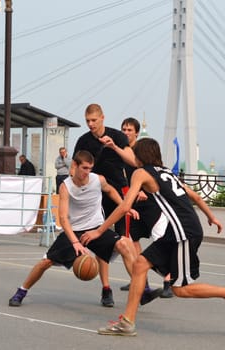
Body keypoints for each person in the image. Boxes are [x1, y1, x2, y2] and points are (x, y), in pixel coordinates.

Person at [80, 138, 225, 336]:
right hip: (177, 230)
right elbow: (194, 196)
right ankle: (127, 322)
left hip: (183, 231)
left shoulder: (140, 173)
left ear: (140, 155)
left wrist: (99, 231)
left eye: (134, 153)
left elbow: (126, 206)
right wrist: (211, 216)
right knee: (140, 265)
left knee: (181, 289)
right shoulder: (167, 172)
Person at [8, 150, 160, 307]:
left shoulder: (98, 180)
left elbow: (110, 190)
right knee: (45, 262)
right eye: (85, 168)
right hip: (74, 232)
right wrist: (75, 242)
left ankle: (143, 290)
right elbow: (63, 218)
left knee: (125, 244)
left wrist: (124, 206)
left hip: (95, 228)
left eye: (90, 168)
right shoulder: (66, 187)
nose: (88, 172)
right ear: (75, 165)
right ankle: (22, 291)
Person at [73, 103, 137, 307]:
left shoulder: (117, 136)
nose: (91, 124)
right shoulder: (83, 141)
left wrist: (114, 147)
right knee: (102, 241)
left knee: (126, 240)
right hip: (95, 195)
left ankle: (139, 285)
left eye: (94, 120)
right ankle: (106, 288)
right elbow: (75, 168)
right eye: (87, 121)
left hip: (119, 191)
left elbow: (133, 160)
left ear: (102, 118)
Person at [119, 117, 173, 298]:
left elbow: (150, 173)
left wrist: (142, 190)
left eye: (129, 130)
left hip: (150, 202)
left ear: (136, 132)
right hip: (134, 203)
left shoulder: (140, 152)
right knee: (132, 240)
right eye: (123, 129)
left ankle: (169, 280)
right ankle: (142, 279)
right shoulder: (124, 151)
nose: (126, 132)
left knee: (160, 241)